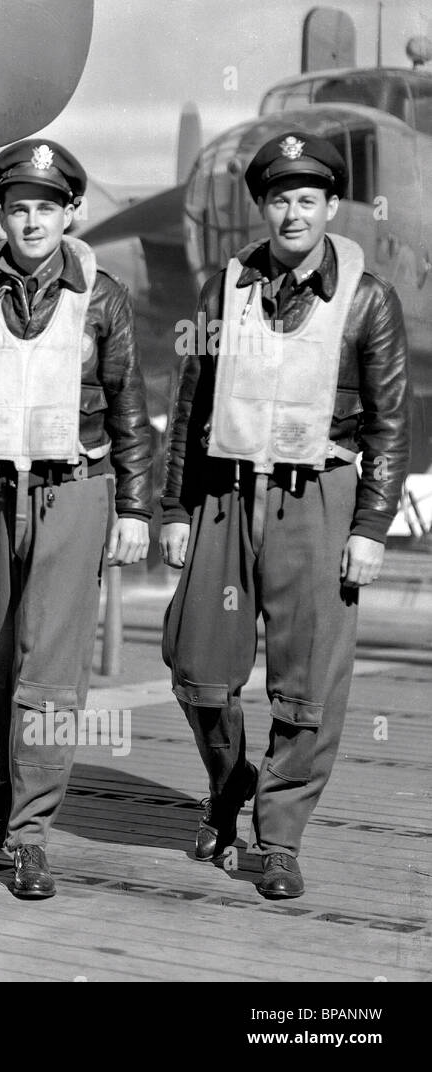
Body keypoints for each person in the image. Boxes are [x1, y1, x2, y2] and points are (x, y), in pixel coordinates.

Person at [159, 130, 409, 900]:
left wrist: (371, 527)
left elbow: (389, 424)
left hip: (319, 496)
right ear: (262, 208)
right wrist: (175, 508)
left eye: (307, 199)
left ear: (333, 206)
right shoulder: (223, 291)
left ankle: (279, 838)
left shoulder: (368, 298)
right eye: (278, 199)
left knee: (308, 684)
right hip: (226, 495)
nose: (293, 213)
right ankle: (228, 781)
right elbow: (190, 404)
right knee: (198, 669)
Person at [0, 139, 152, 900]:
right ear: (2, 214)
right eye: (18, 208)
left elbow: (128, 408)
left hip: (75, 491)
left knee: (50, 673)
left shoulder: (103, 297)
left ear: (70, 213)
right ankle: (2, 766)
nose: (31, 221)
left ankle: (29, 835)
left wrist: (134, 507)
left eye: (46, 208)